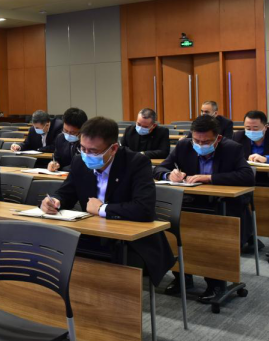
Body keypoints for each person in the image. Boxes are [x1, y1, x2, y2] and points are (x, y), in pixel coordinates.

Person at [41, 117, 175, 287]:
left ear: (113, 148)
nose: (87, 155)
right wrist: (55, 201)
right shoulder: (79, 162)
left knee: (109, 268)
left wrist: (102, 209)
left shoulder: (136, 163)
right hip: (93, 235)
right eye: (83, 148)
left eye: (93, 151)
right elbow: (66, 193)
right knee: (58, 251)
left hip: (133, 242)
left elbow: (144, 209)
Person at [154, 115, 255, 301]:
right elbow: (159, 169)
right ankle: (182, 277)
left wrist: (209, 178)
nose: (200, 144)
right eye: (197, 140)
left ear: (218, 138)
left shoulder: (232, 148)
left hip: (223, 206)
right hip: (190, 202)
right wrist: (169, 175)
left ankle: (215, 283)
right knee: (174, 230)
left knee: (213, 238)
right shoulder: (184, 146)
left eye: (206, 141)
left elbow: (247, 176)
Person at [48, 107, 88, 172]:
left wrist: (63, 169)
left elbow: (82, 165)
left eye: (73, 132)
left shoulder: (88, 143)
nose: (68, 134)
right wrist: (54, 164)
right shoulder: (60, 138)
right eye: (65, 130)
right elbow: (57, 158)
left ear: (82, 129)